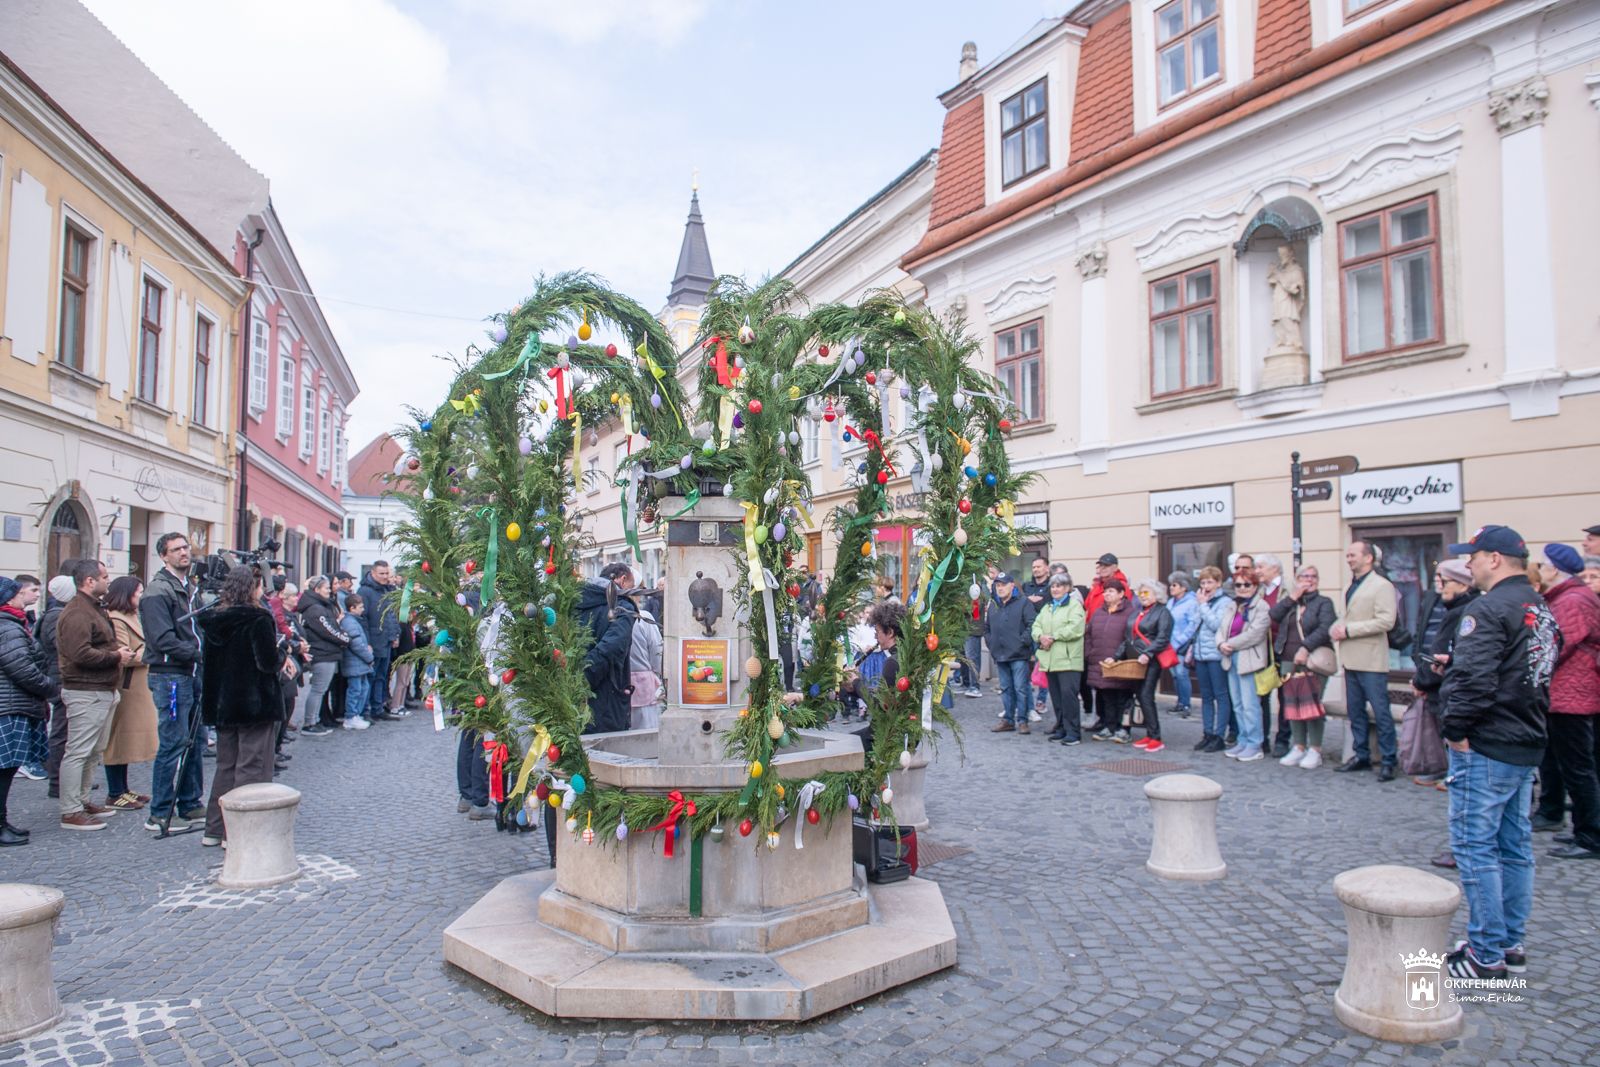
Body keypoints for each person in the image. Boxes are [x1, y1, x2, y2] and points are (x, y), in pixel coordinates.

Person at [1438, 525, 1557, 979]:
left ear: (1494, 558)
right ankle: (1508, 941)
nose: (1467, 564)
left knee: (1476, 847)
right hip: (1524, 738)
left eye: (1473, 555)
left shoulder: (1488, 608)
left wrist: (1455, 730)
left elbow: (1474, 680)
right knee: (1514, 847)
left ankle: (1485, 954)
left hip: (1489, 741)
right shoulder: (1537, 605)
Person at [197, 566, 287, 847]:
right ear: (253, 588)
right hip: (254, 702)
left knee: (226, 766)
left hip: (223, 703)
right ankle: (236, 831)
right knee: (251, 766)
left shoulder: (213, 619)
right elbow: (268, 662)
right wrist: (283, 651)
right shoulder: (257, 618)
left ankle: (214, 828)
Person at [1532, 543, 1600, 859]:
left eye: (1544, 567)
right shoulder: (1568, 598)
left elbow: (1556, 646)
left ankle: (1590, 837)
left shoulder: (1572, 600)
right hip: (1566, 693)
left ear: (1555, 570)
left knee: (1578, 768)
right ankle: (1581, 830)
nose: (1541, 571)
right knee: (1571, 765)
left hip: (1572, 696)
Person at [56, 558, 134, 830]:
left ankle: (83, 799)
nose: (108, 579)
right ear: (90, 581)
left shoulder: (93, 608)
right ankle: (70, 809)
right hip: (85, 690)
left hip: (101, 688)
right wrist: (116, 656)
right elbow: (79, 653)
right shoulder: (77, 612)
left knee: (93, 751)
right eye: (104, 576)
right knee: (78, 751)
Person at [140, 532, 207, 831]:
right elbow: (161, 638)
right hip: (170, 676)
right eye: (176, 549)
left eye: (185, 547)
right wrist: (197, 653)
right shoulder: (157, 590)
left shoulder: (188, 587)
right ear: (164, 555)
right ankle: (160, 812)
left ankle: (190, 802)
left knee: (195, 740)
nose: (184, 552)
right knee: (173, 743)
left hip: (189, 673)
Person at [1331, 540, 1400, 780]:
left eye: (1353, 555)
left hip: (1371, 659)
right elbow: (1346, 616)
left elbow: (1386, 621)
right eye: (1347, 555)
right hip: (1350, 658)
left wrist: (1349, 630)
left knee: (1381, 711)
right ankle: (1361, 754)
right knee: (1355, 711)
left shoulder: (1381, 586)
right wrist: (1338, 627)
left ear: (1368, 558)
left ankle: (1389, 759)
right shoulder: (1351, 586)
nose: (1349, 558)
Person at [0, 576, 57, 844]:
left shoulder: (13, 623)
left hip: (14, 703)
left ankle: (2, 821)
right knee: (4, 769)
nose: (24, 595)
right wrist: (50, 687)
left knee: (7, 769)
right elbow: (21, 668)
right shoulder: (8, 627)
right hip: (10, 705)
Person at [1270, 564, 1337, 768]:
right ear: (1297, 579)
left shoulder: (1324, 603)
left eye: (1313, 576)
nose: (1309, 579)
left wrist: (1306, 647)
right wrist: (1292, 597)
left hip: (1312, 660)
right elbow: (1273, 615)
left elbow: (1326, 627)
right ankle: (1298, 746)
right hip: (1288, 659)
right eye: (1305, 576)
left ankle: (1315, 748)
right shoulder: (1290, 603)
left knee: (1311, 705)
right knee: (1292, 706)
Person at [102, 576, 156, 810]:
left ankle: (123, 789)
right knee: (118, 740)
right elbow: (124, 655)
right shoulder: (115, 619)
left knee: (127, 740)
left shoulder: (133, 616)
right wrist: (150, 650)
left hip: (138, 686)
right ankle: (115, 792)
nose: (141, 596)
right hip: (127, 686)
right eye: (138, 592)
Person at [578, 563, 638, 734]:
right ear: (622, 579)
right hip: (607, 702)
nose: (632, 594)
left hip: (570, 700)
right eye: (631, 588)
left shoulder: (576, 600)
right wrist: (583, 678)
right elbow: (611, 649)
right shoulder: (621, 607)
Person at [1217, 572, 1271, 761]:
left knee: (1250, 705)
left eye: (1246, 585)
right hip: (1230, 658)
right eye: (1238, 585)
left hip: (1249, 658)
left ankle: (1255, 743)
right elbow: (1221, 628)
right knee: (1238, 704)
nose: (1242, 588)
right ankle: (1243, 740)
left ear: (1255, 586)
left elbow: (1256, 633)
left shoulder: (1261, 606)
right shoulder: (1232, 605)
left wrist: (1230, 643)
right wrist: (1220, 643)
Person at [1114, 580, 1173, 752]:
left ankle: (1156, 736)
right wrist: (1116, 657)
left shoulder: (1163, 613)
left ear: (1156, 594)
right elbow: (1128, 639)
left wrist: (1149, 653)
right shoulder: (1138, 613)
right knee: (1140, 695)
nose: (1143, 596)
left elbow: (1163, 637)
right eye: (1141, 593)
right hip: (1136, 661)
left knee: (1146, 695)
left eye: (1146, 593)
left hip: (1151, 661)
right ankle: (1150, 733)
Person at [1032, 573, 1085, 745]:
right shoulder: (1047, 607)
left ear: (1067, 588)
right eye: (1053, 586)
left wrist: (1053, 637)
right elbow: (1036, 625)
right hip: (1050, 659)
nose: (1055, 589)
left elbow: (1075, 628)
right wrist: (1040, 637)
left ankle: (1073, 732)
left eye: (1059, 586)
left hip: (1068, 660)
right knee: (1056, 697)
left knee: (1069, 697)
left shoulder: (1075, 606)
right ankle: (1061, 727)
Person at [983, 573, 1037, 734]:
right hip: (1000, 653)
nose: (1000, 588)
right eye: (997, 585)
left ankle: (1022, 720)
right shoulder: (994, 605)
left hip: (1019, 654)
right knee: (1006, 688)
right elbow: (987, 628)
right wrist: (991, 643)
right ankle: (1008, 720)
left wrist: (1023, 642)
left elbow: (1032, 624)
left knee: (1020, 688)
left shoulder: (1023, 603)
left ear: (1012, 586)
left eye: (1003, 585)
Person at [296, 576, 348, 737]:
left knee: (320, 689)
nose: (329, 590)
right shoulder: (316, 609)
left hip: (326, 651)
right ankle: (310, 722)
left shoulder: (318, 606)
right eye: (326, 588)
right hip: (322, 653)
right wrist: (344, 638)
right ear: (317, 590)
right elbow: (328, 630)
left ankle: (314, 720)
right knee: (318, 690)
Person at [1086, 579, 1138, 740]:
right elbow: (1089, 634)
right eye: (1105, 591)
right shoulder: (1099, 612)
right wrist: (1089, 652)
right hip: (1100, 661)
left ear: (1121, 594)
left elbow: (1130, 638)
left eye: (1111, 591)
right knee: (1106, 696)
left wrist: (1118, 656)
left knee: (1122, 697)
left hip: (1120, 662)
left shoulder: (1130, 612)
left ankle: (1123, 729)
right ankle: (1109, 726)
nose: (1107, 594)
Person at [37, 573, 74, 794]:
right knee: (61, 731)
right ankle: (57, 781)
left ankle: (63, 779)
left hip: (60, 676)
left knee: (67, 730)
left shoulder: (59, 614)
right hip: (59, 679)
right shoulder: (55, 616)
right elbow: (62, 647)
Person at [1192, 566, 1232, 751]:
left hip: (1216, 655)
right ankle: (1207, 732)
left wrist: (1203, 605)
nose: (1206, 586)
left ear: (1218, 583)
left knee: (1221, 695)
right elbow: (1195, 624)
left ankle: (1219, 734)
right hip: (1201, 654)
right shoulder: (1201, 600)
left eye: (1210, 582)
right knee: (1206, 697)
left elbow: (1217, 624)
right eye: (1203, 582)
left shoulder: (1224, 602)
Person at [339, 593, 375, 730]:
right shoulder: (349, 622)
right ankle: (351, 716)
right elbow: (356, 645)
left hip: (358, 663)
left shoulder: (353, 621)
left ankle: (356, 714)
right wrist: (369, 657)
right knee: (355, 690)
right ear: (352, 608)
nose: (363, 609)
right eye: (360, 607)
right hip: (355, 662)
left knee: (362, 688)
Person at [1166, 573, 1199, 720]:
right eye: (1171, 584)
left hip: (1181, 645)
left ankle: (1186, 704)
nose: (1171, 587)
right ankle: (1179, 702)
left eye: (1174, 585)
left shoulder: (1191, 603)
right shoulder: (1171, 602)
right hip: (1169, 645)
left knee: (1182, 674)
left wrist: (1179, 641)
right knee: (1174, 675)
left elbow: (1192, 625)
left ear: (1184, 587)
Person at [628, 598, 665, 730]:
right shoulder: (643, 618)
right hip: (644, 686)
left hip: (617, 687)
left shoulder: (606, 616)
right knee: (647, 734)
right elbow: (657, 652)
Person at [1023, 558, 1052, 718]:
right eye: (1033, 567)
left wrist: (1032, 601)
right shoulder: (1027, 586)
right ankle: (1026, 703)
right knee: (1025, 669)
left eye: (1039, 566)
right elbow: (1023, 605)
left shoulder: (1051, 586)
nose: (1036, 569)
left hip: (1043, 634)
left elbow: (1045, 606)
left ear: (1047, 568)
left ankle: (1041, 700)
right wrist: (1030, 600)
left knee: (1043, 667)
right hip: (1028, 631)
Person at [1084, 553, 1129, 619]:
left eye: (1106, 565)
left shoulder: (1121, 585)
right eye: (1101, 565)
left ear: (1115, 568)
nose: (1103, 568)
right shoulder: (1097, 585)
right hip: (1094, 624)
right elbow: (1086, 606)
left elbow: (1125, 608)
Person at [389, 610, 417, 714]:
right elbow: (398, 643)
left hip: (409, 657)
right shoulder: (401, 626)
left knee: (405, 682)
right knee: (400, 683)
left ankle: (401, 704)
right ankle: (395, 706)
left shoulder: (408, 627)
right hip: (403, 657)